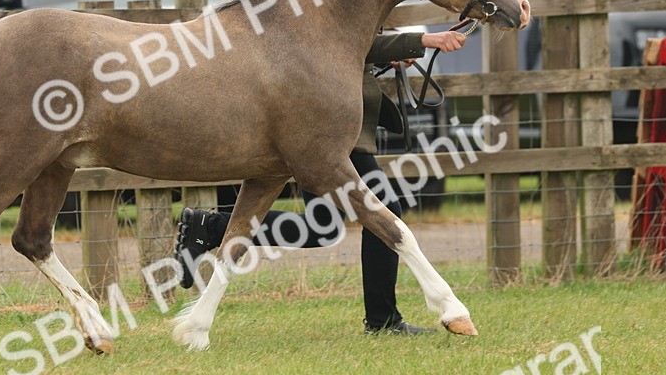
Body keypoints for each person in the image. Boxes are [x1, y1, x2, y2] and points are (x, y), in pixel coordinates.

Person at [173, 28, 467, 336]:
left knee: (321, 227)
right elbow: (342, 37)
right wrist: (420, 40)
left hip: (334, 126)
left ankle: (211, 227)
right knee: (384, 209)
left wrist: (390, 54)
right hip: (327, 126)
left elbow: (355, 40)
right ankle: (383, 321)